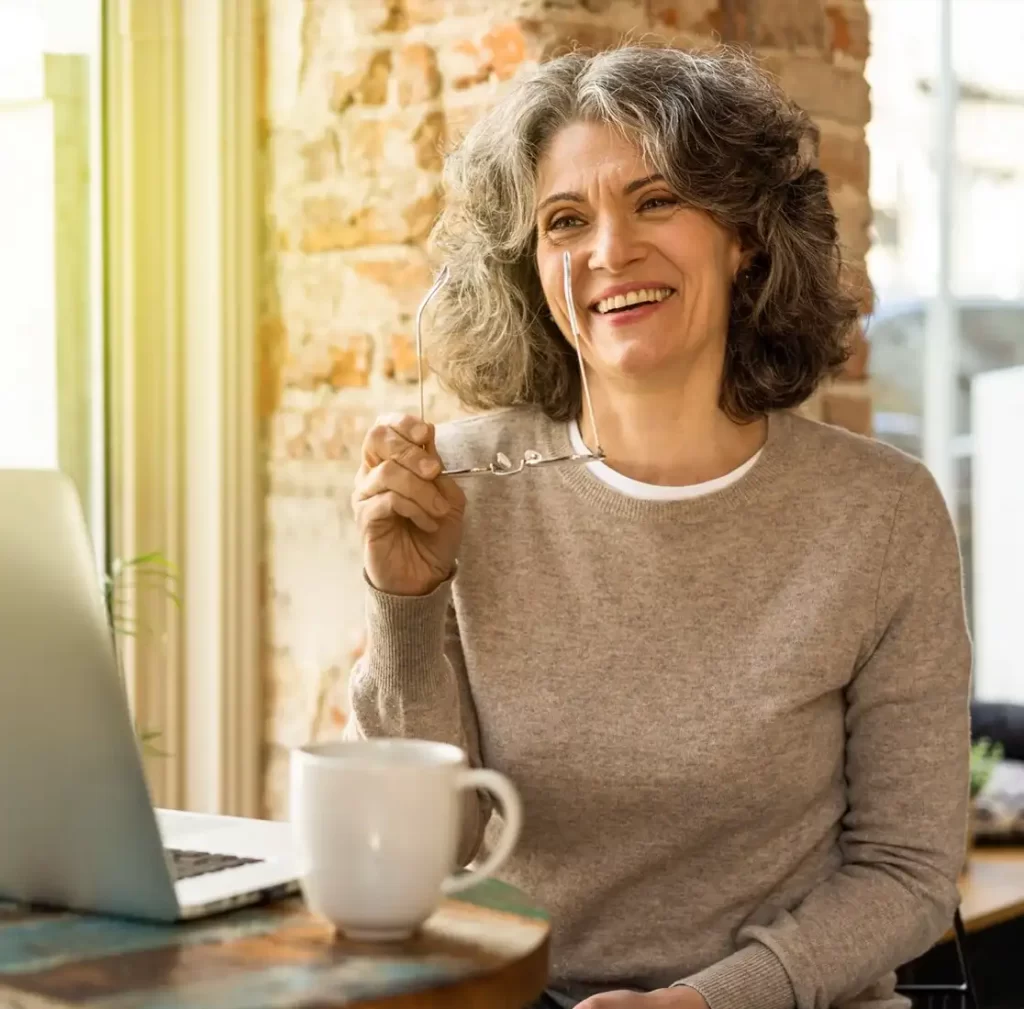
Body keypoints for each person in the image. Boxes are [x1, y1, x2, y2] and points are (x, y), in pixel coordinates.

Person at [345, 43, 972, 1009]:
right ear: (533, 268)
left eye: (657, 201)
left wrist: (712, 1001)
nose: (609, 250)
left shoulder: (882, 514)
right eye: (565, 221)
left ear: (745, 235)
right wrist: (405, 603)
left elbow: (908, 873)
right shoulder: (457, 486)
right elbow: (431, 848)